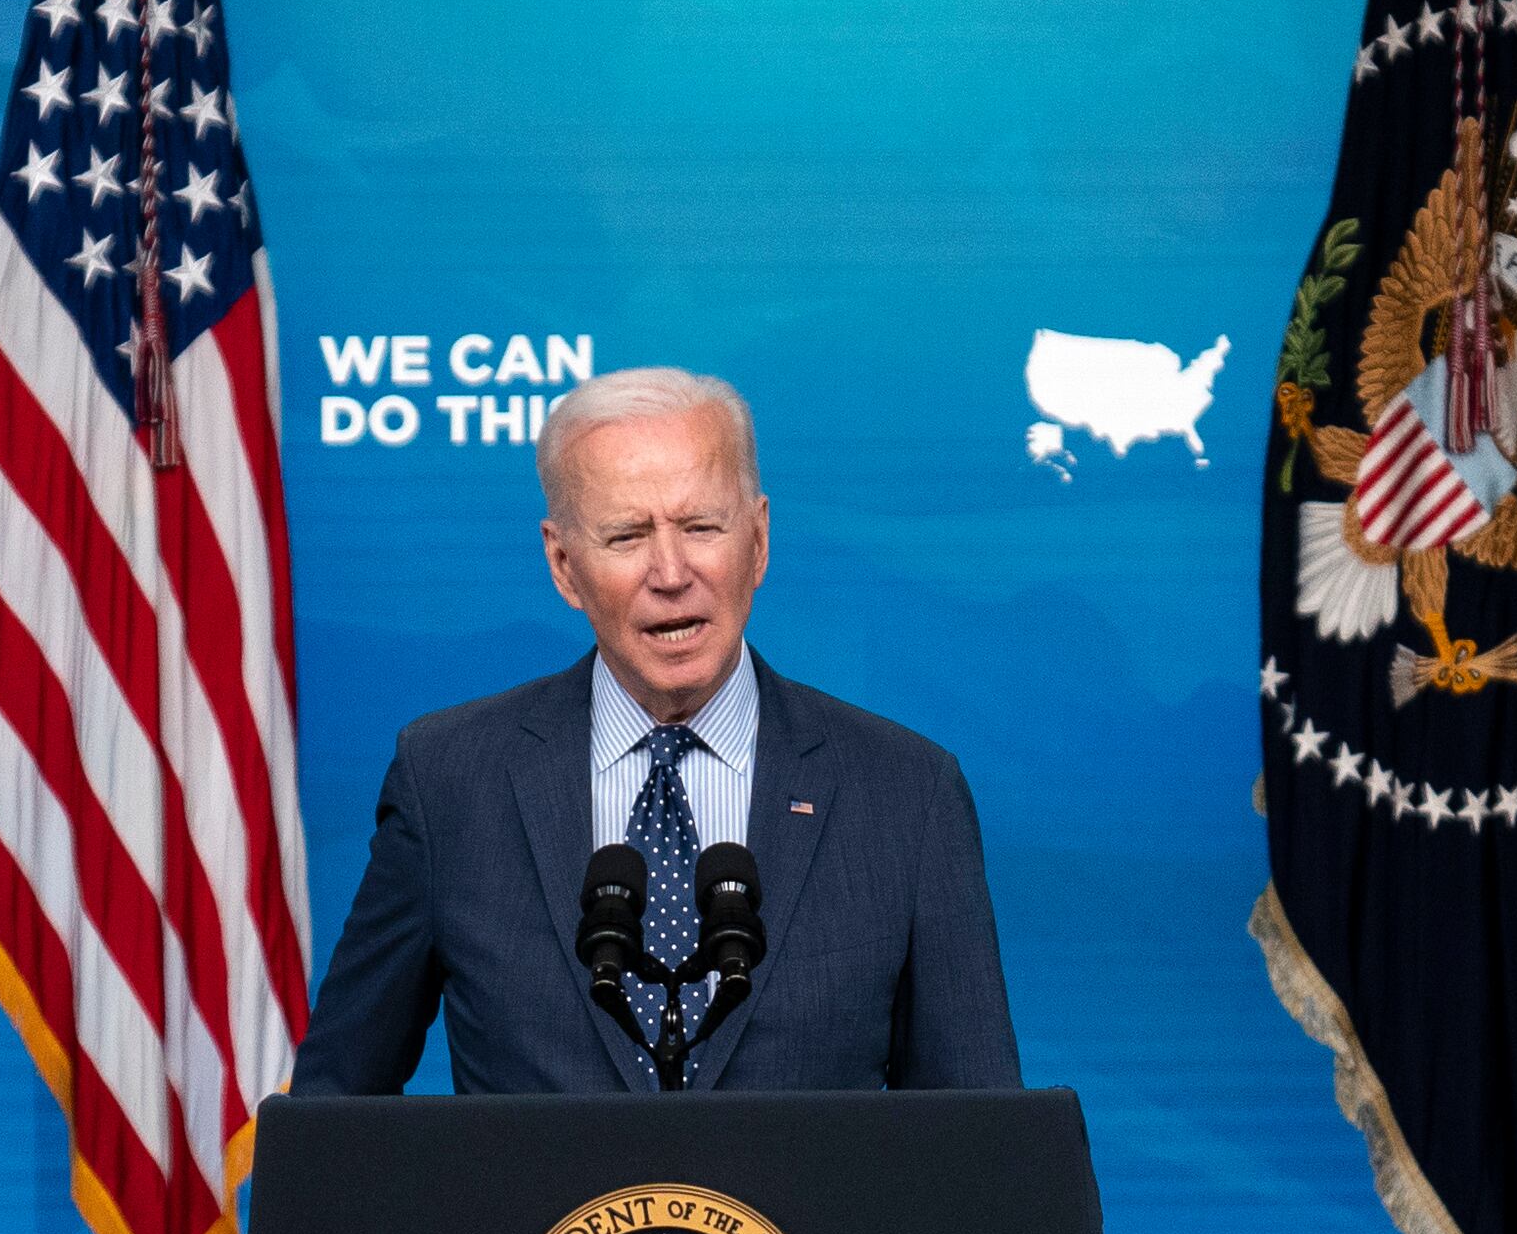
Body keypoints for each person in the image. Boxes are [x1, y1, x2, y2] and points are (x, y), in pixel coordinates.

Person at [289, 366, 1018, 1095]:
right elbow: (332, 1118)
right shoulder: (449, 780)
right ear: (564, 566)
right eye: (627, 535)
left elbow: (983, 1151)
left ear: (759, 540)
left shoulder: (904, 793)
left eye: (702, 527)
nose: (670, 572)